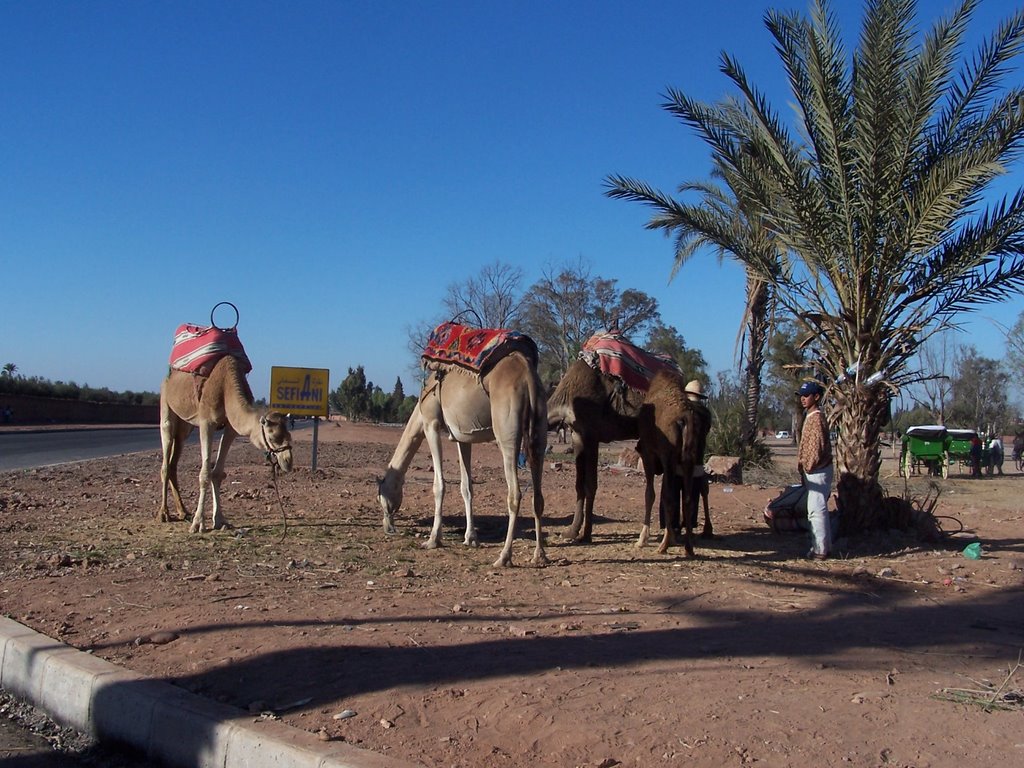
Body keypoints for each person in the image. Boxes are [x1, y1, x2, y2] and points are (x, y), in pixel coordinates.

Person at [797, 381, 833, 560]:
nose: (803, 399)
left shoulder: (816, 418)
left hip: (817, 471)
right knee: (817, 509)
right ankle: (823, 546)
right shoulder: (811, 417)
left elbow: (815, 448)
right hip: (816, 470)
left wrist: (808, 468)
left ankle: (820, 550)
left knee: (816, 510)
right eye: (802, 396)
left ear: (816, 397)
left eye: (807, 395)